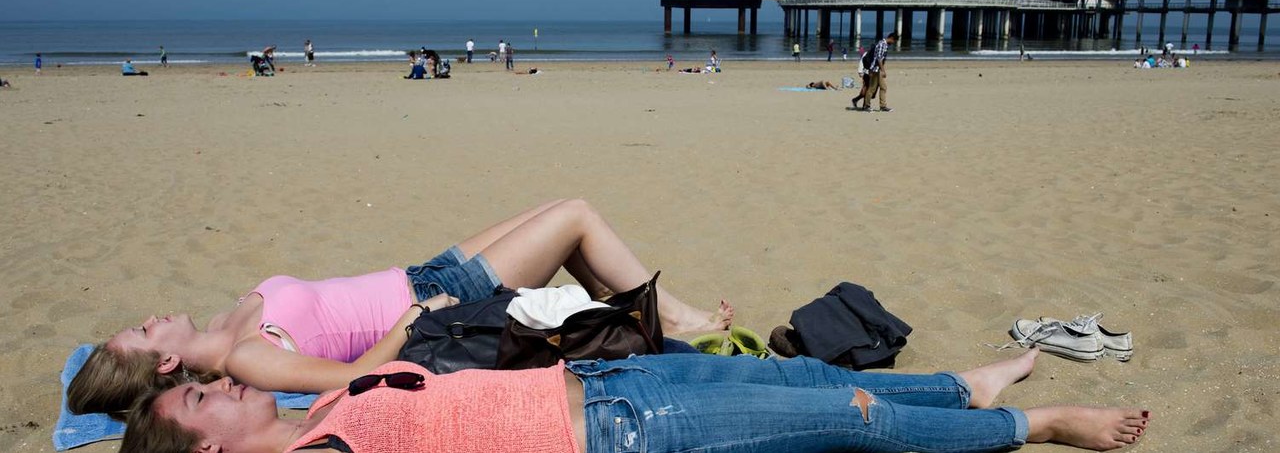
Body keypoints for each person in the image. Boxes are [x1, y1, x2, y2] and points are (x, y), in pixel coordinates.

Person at [66, 199, 733, 416]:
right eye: (143, 332)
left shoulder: (222, 326)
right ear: (167, 362)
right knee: (575, 217)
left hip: (420, 272)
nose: (151, 315)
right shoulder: (250, 358)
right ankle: (671, 320)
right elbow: (353, 380)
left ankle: (638, 319)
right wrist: (409, 323)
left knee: (559, 217)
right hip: (439, 301)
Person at [121, 348, 1151, 453]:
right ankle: (1039, 423)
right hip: (627, 432)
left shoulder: (316, 411)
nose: (212, 382)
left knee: (805, 377)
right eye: (196, 401)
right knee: (847, 418)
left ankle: (962, 383)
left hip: (616, 381)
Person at [864, 31, 896, 112]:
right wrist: (883, 70)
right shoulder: (882, 44)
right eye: (894, 41)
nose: (893, 43)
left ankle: (883, 106)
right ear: (891, 38)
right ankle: (866, 106)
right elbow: (879, 59)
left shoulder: (883, 44)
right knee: (872, 88)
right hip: (875, 69)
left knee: (883, 87)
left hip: (878, 69)